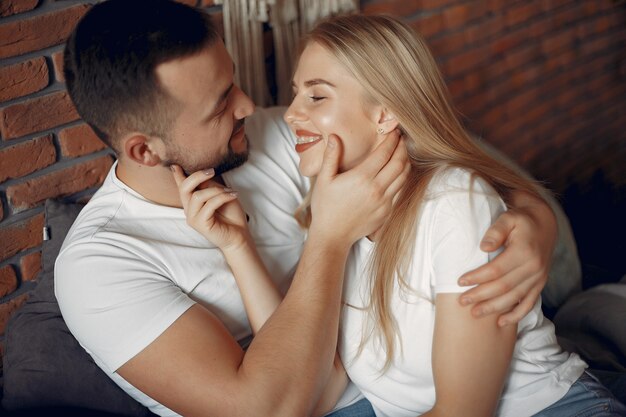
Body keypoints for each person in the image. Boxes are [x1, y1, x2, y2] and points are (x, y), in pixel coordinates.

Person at [56, 1, 558, 416]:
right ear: (145, 150)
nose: (250, 106)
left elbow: (445, 164)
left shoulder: (277, 139)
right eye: (221, 103)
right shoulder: (99, 266)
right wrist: (328, 238)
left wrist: (536, 221)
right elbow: (268, 410)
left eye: (233, 81)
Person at [260, 14, 623, 417]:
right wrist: (237, 246)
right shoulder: (333, 216)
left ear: (384, 114)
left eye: (316, 96)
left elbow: (463, 412)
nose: (290, 114)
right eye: (296, 94)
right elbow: (321, 393)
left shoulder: (454, 202)